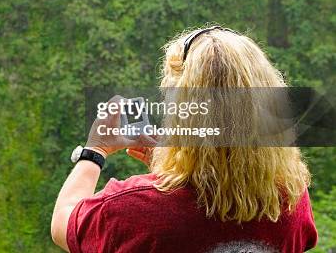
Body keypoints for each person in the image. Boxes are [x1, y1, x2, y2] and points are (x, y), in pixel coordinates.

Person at [51, 26, 318, 253]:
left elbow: (64, 223)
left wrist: (95, 150)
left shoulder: (132, 210)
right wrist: (176, 171)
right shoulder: (291, 198)